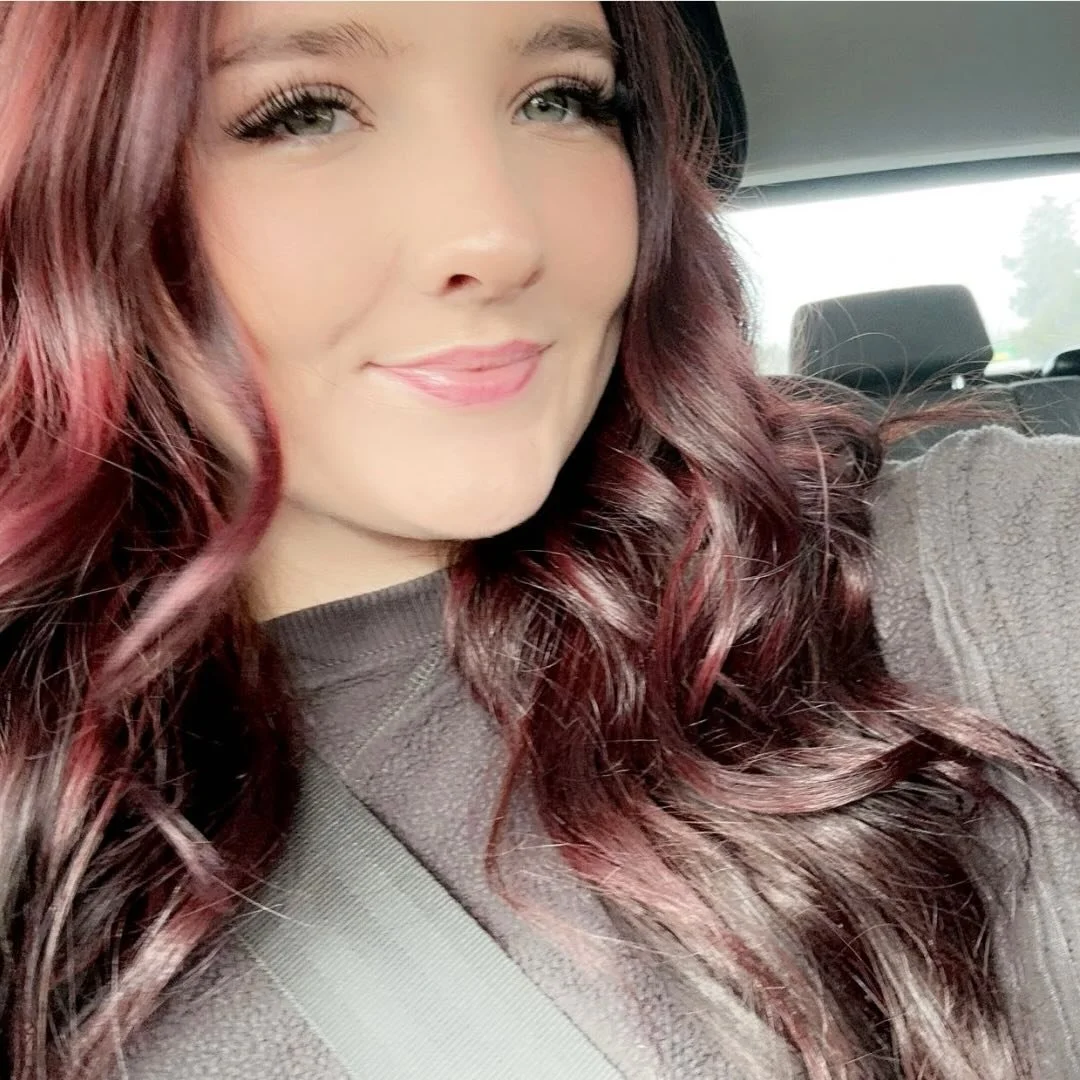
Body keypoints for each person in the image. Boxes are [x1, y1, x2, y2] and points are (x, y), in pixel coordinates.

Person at [0, 3, 1077, 1079]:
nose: (502, 235)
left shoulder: (966, 564)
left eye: (559, 99)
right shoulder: (33, 807)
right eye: (301, 113)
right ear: (62, 193)